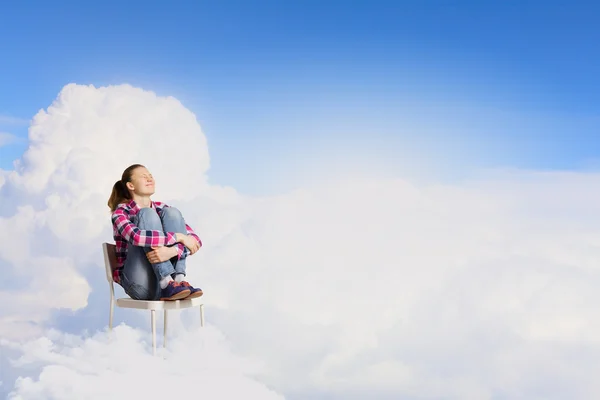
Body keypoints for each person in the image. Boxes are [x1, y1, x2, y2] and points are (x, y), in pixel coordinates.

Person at [107, 163, 204, 301]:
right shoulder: (121, 212)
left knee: (173, 213)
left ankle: (177, 280)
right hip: (140, 284)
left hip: (175, 291)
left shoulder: (162, 208)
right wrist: (180, 237)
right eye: (143, 176)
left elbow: (195, 241)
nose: (149, 179)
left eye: (151, 176)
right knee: (147, 214)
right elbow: (137, 237)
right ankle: (166, 282)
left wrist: (173, 251)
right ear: (131, 185)